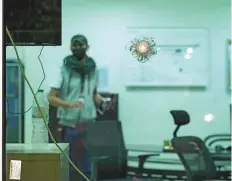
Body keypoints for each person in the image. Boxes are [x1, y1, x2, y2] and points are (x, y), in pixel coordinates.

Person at [47, 34, 109, 181]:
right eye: (74, 45)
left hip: (89, 123)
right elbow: (51, 98)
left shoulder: (93, 68)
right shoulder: (64, 69)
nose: (77, 48)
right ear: (70, 47)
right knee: (70, 165)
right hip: (69, 124)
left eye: (80, 45)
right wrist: (69, 104)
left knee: (88, 165)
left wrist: (102, 101)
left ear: (87, 47)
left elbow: (93, 93)